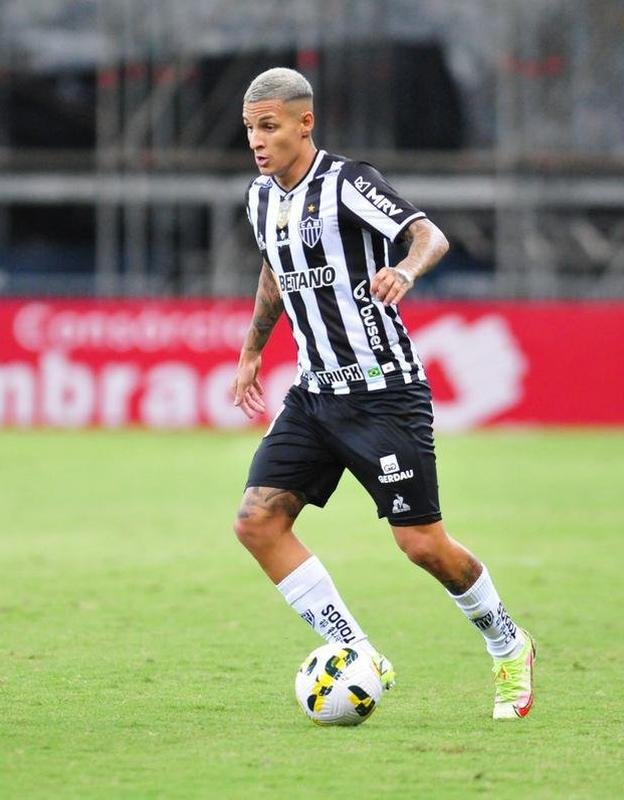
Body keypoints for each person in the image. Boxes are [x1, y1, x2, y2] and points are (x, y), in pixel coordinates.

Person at [230, 67, 535, 720]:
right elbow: (273, 271)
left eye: (269, 126)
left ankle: (508, 644)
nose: (257, 141)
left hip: (383, 395)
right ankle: (359, 652)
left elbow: (429, 235)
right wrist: (254, 348)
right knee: (257, 522)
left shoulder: (347, 182)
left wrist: (402, 267)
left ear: (303, 123)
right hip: (312, 396)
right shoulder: (260, 199)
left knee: (421, 545)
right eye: (250, 128)